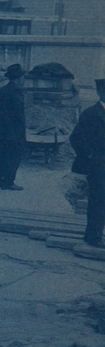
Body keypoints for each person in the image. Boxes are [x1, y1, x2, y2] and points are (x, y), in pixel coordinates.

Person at [70, 74, 105, 248]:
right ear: (99, 92)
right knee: (98, 201)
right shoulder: (91, 113)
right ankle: (93, 236)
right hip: (98, 165)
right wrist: (91, 156)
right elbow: (76, 138)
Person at [0, 63, 27, 190]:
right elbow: (19, 114)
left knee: (0, 154)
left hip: (0, 129)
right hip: (13, 131)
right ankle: (8, 182)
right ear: (19, 79)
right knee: (13, 157)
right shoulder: (17, 92)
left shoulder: (1, 91)